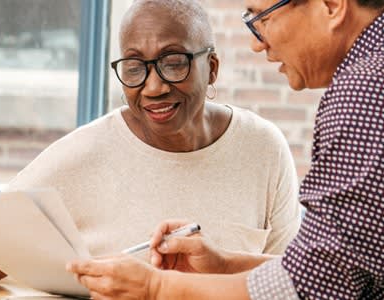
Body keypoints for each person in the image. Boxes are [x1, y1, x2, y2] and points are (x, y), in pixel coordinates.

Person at [0, 0, 302, 288]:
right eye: (134, 67)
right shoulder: (86, 151)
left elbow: (291, 279)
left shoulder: (263, 148)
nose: (153, 86)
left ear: (212, 68)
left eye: (173, 63)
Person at [67, 0, 384, 299]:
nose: (257, 42)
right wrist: (223, 266)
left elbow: (316, 285)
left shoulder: (362, 91)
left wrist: (155, 287)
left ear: (332, 5)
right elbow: (343, 269)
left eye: (264, 17)